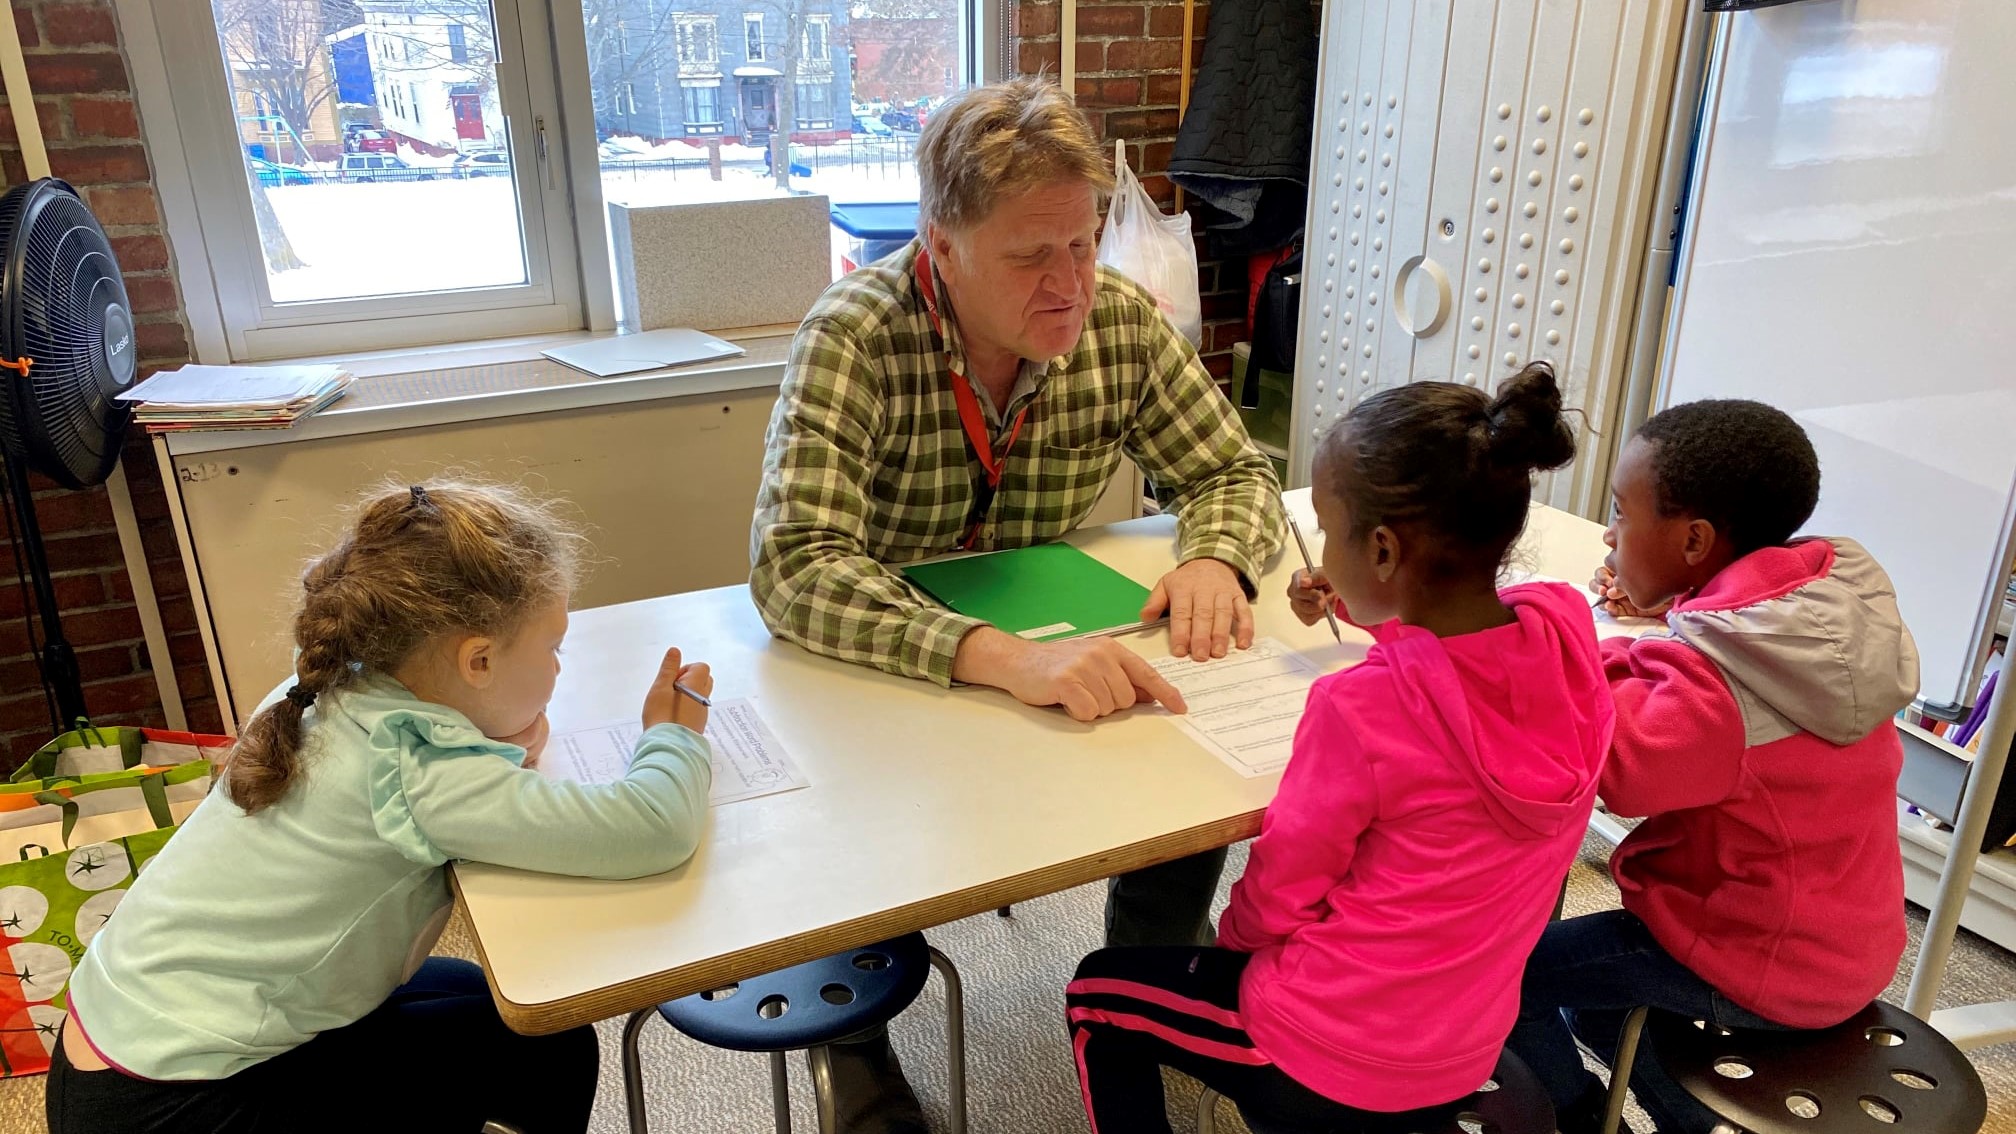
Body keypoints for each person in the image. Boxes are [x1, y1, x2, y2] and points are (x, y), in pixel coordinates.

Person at [751, 78, 1283, 1133]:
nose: (1071, 285)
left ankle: (1142, 989)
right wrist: (998, 655)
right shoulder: (856, 333)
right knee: (855, 818)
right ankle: (851, 1045)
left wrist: (1219, 557)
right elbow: (796, 566)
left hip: (1043, 629)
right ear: (941, 246)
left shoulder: (1119, 323)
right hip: (893, 655)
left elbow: (1236, 473)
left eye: (1082, 245)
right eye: (1031, 256)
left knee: (1180, 750)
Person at [49, 483, 716, 1134]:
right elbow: (653, 828)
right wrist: (674, 733)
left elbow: (447, 759)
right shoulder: (424, 771)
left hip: (111, 1043)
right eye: (553, 648)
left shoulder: (324, 684)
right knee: (531, 1051)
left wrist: (495, 735)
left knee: (534, 1036)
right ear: (477, 660)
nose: (559, 669)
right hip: (176, 1106)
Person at [1066, 365, 1612, 1134]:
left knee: (1098, 996)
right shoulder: (1562, 632)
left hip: (1327, 1050)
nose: (1317, 548)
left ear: (1385, 550)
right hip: (1465, 1041)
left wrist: (1234, 952)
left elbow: (1281, 890)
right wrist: (1368, 607)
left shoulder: (1358, 707)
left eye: (1326, 526)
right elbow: (1463, 659)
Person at [1507, 400, 1919, 1134]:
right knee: (1587, 1000)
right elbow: (1684, 668)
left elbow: (1620, 765)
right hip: (1844, 938)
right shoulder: (1807, 614)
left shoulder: (1717, 689)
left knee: (1510, 976)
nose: (1609, 534)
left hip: (1762, 955)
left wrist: (1546, 645)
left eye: (1621, 514)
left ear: (1694, 539)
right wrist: (1650, 625)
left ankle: (1573, 1122)